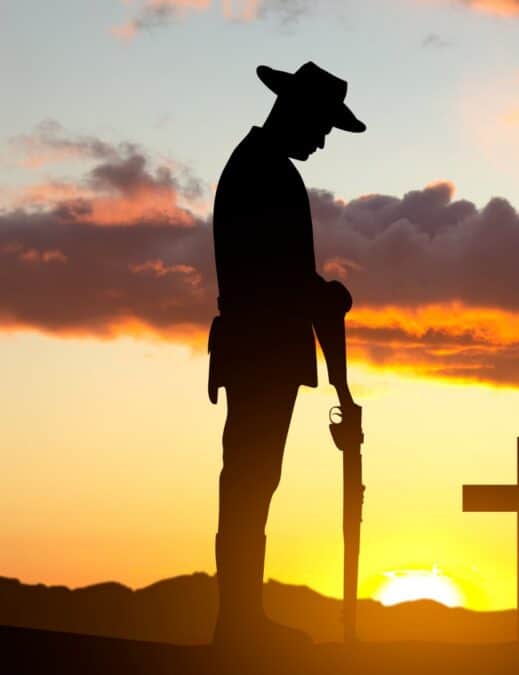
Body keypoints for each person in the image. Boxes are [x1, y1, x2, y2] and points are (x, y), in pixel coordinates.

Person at [207, 61, 364, 648]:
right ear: (297, 112)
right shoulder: (267, 175)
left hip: (258, 351)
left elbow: (293, 284)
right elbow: (291, 286)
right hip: (261, 352)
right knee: (249, 482)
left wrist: (322, 300)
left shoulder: (256, 168)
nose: (323, 140)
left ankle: (241, 618)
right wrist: (330, 302)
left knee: (252, 481)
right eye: (322, 126)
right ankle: (240, 624)